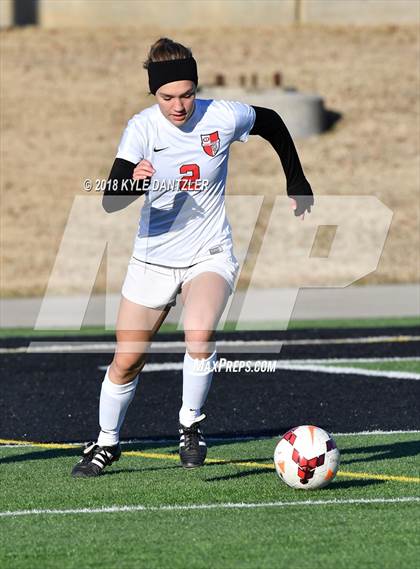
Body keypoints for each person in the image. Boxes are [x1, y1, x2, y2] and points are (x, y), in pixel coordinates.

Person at [72, 38, 313, 477]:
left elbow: (273, 122)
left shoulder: (221, 116)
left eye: (186, 94)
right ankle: (106, 443)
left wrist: (297, 182)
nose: (178, 105)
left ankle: (191, 424)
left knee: (199, 332)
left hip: (209, 252)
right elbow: (109, 199)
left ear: (196, 88)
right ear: (153, 94)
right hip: (153, 260)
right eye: (167, 97)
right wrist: (135, 183)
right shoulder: (142, 128)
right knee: (128, 359)